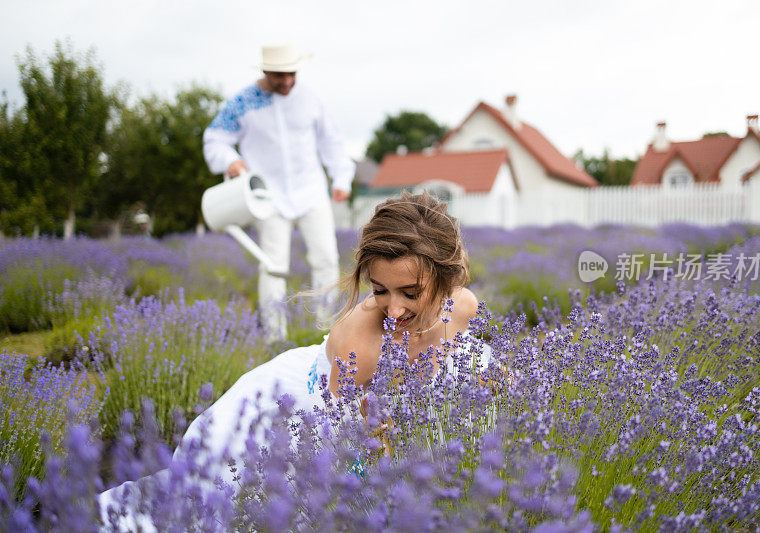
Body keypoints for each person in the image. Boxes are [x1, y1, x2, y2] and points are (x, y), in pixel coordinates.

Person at [97, 192, 485, 530]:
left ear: (447, 282)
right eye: (380, 290)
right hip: (296, 415)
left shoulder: (462, 306)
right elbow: (344, 458)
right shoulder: (361, 349)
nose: (394, 309)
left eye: (411, 293)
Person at [203, 44, 355, 340]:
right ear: (264, 71)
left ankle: (328, 331)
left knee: (326, 258)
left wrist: (342, 178)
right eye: (278, 76)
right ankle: (275, 338)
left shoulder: (310, 100)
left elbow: (331, 141)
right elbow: (214, 139)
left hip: (311, 190)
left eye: (291, 75)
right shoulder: (242, 103)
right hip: (268, 197)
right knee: (273, 265)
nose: (286, 82)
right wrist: (230, 160)